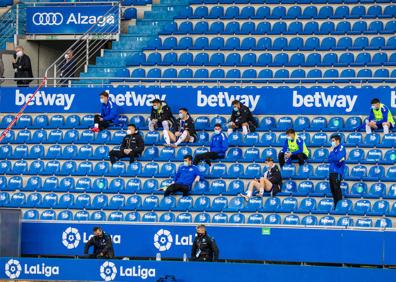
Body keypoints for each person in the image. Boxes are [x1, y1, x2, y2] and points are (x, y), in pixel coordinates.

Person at [328, 135, 346, 208]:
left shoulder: (341, 148)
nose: (332, 142)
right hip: (331, 171)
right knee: (333, 190)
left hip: (337, 172)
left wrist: (332, 153)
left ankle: (339, 206)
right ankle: (336, 206)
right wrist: (334, 156)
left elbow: (338, 158)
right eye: (332, 141)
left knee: (336, 189)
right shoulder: (334, 149)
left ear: (337, 141)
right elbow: (329, 159)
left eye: (333, 141)